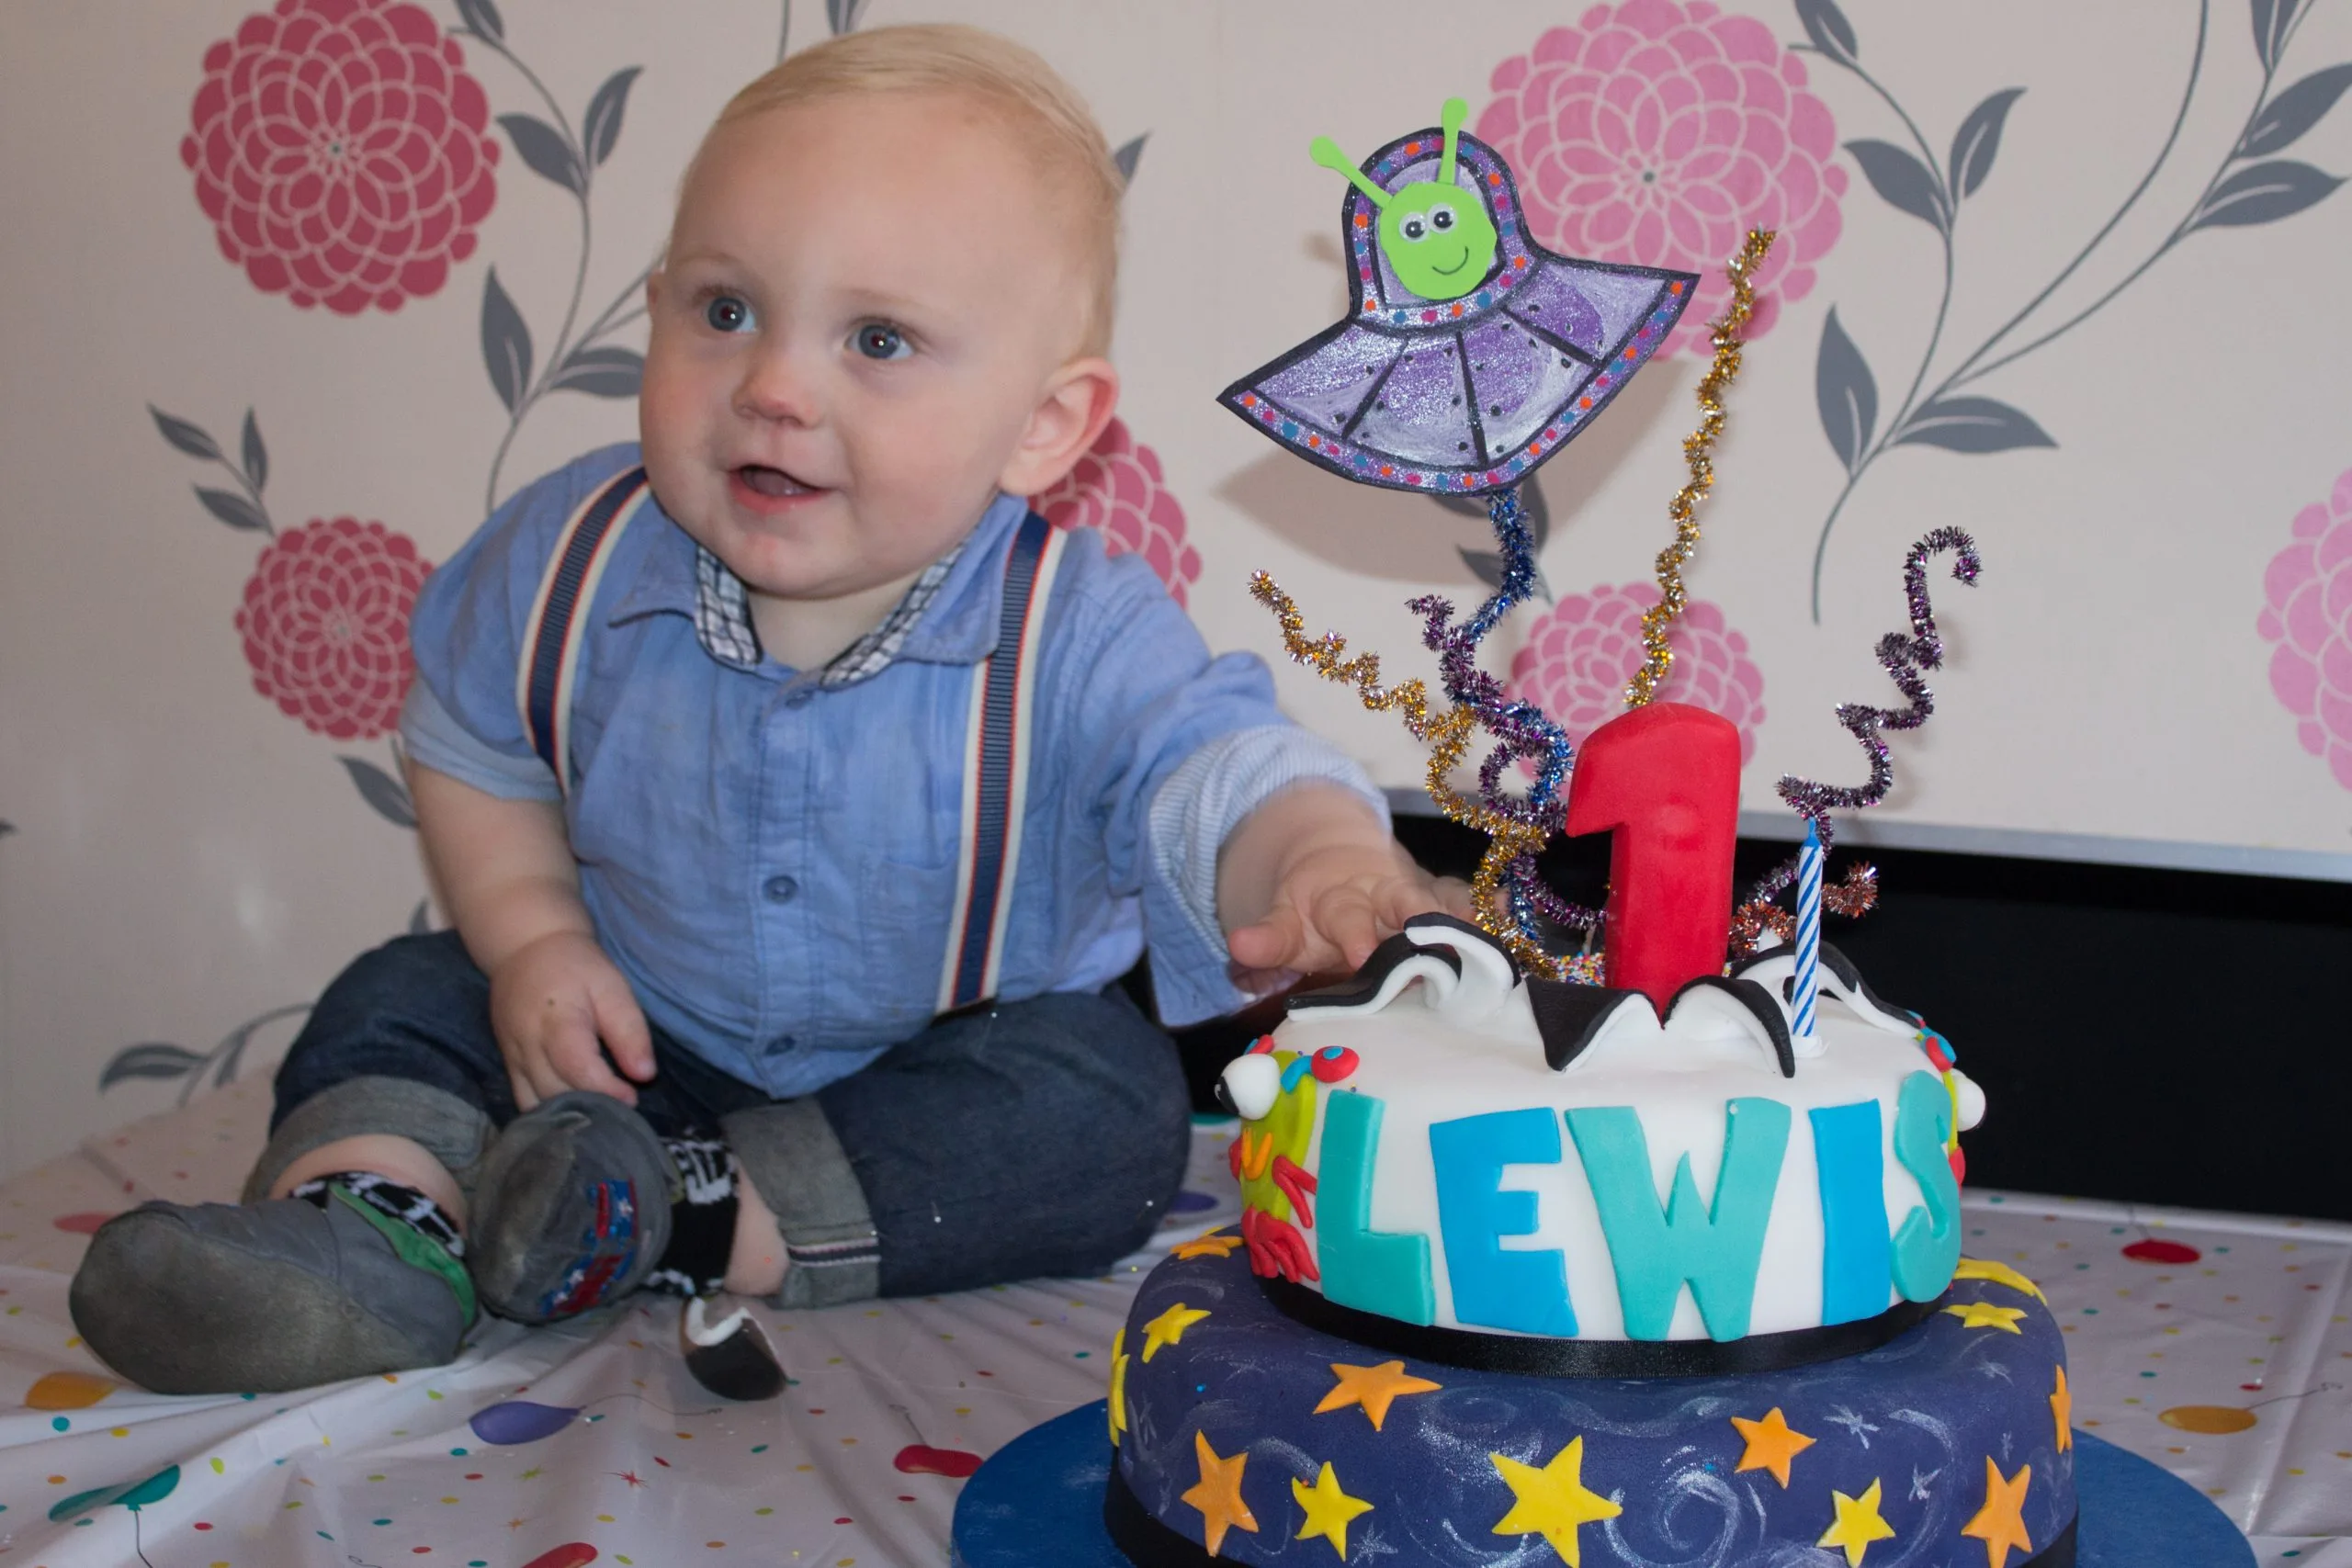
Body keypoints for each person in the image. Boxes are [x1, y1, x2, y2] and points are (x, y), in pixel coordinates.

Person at [69, 24, 1459, 1395]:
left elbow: (1216, 764)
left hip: (922, 1074)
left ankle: (669, 1218)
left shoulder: (1075, 625)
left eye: (878, 338)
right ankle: (362, 1231)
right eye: (725, 311)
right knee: (408, 989)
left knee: (1103, 1104)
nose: (776, 386)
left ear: (1044, 424)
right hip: (618, 1038)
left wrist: (1316, 855)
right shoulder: (570, 558)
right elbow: (467, 738)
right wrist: (536, 937)